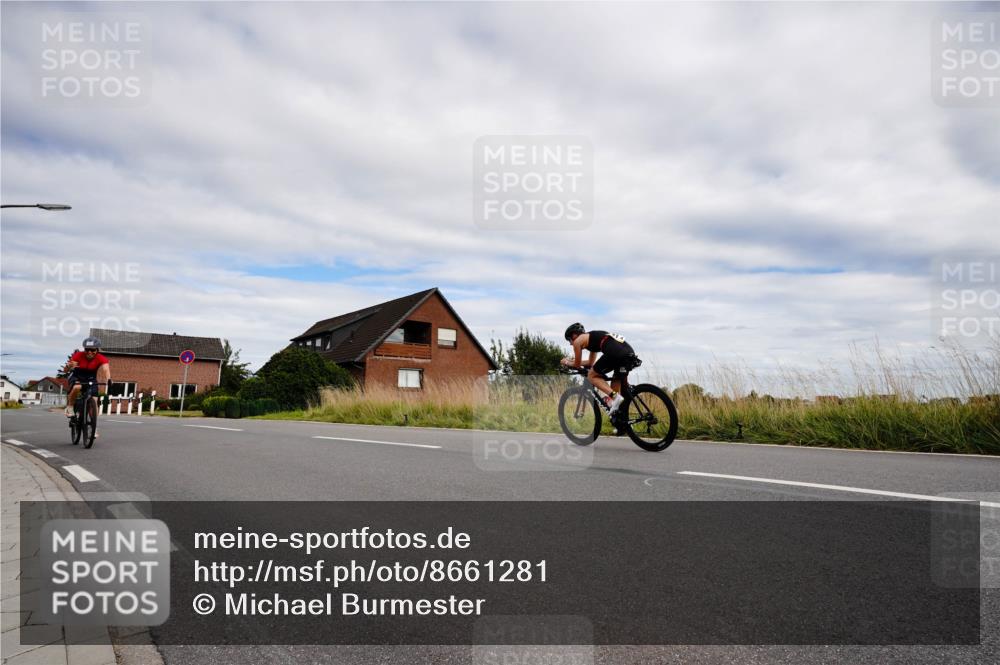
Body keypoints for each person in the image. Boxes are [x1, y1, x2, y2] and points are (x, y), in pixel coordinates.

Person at [561, 323, 638, 414]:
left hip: (614, 352)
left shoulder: (578, 341)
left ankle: (615, 397)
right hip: (628, 352)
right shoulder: (592, 338)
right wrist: (573, 362)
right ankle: (622, 423)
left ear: (574, 335)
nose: (570, 344)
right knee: (616, 379)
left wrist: (566, 362)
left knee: (591, 375)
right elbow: (590, 362)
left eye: (569, 340)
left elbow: (577, 365)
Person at [63, 337, 111, 432]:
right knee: (77, 387)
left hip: (91, 378)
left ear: (97, 350)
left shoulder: (101, 358)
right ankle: (70, 407)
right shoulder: (78, 355)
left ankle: (93, 427)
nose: (89, 352)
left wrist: (109, 379)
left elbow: (106, 369)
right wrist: (69, 366)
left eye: (92, 350)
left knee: (94, 400)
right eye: (87, 349)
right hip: (77, 376)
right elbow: (66, 370)